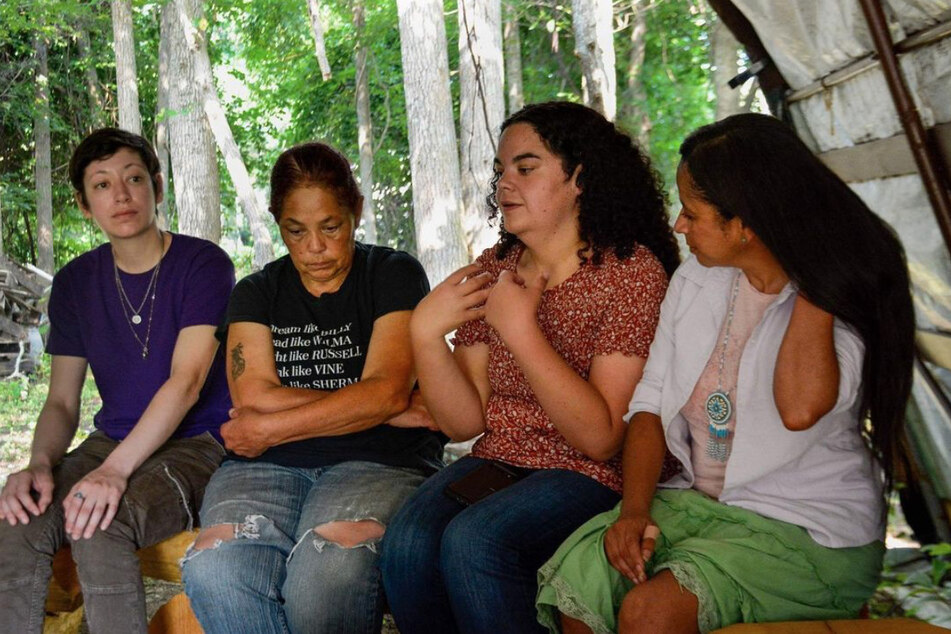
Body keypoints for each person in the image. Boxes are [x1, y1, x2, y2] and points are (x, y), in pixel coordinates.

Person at [535, 113, 915, 634]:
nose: (678, 225)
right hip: (698, 506)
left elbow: (800, 408)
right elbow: (648, 405)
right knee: (579, 592)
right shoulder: (697, 279)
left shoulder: (838, 299)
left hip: (807, 531)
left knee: (649, 614)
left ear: (748, 224)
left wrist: (815, 272)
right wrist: (634, 512)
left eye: (692, 213)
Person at [380, 101, 681, 634]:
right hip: (503, 459)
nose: (504, 185)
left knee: (477, 540)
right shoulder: (496, 268)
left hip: (591, 474)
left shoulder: (630, 272)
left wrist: (520, 331)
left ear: (580, 179)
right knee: (407, 540)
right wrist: (426, 334)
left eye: (525, 167)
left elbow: (602, 438)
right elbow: (464, 423)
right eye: (500, 171)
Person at [180, 141, 442, 633]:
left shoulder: (393, 273)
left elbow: (384, 387)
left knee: (327, 570)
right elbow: (254, 396)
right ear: (278, 222)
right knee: (217, 566)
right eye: (295, 232)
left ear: (356, 211)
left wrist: (379, 405)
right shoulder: (256, 292)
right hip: (265, 468)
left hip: (377, 460)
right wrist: (386, 406)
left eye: (331, 227)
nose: (314, 248)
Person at [0, 128, 234, 633]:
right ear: (86, 205)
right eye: (102, 185)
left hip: (197, 443)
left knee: (100, 521)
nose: (121, 195)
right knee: (18, 518)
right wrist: (39, 465)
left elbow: (188, 381)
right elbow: (62, 401)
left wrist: (114, 472)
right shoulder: (75, 282)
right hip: (113, 439)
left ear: (157, 188)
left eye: (133, 178)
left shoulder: (202, 264)